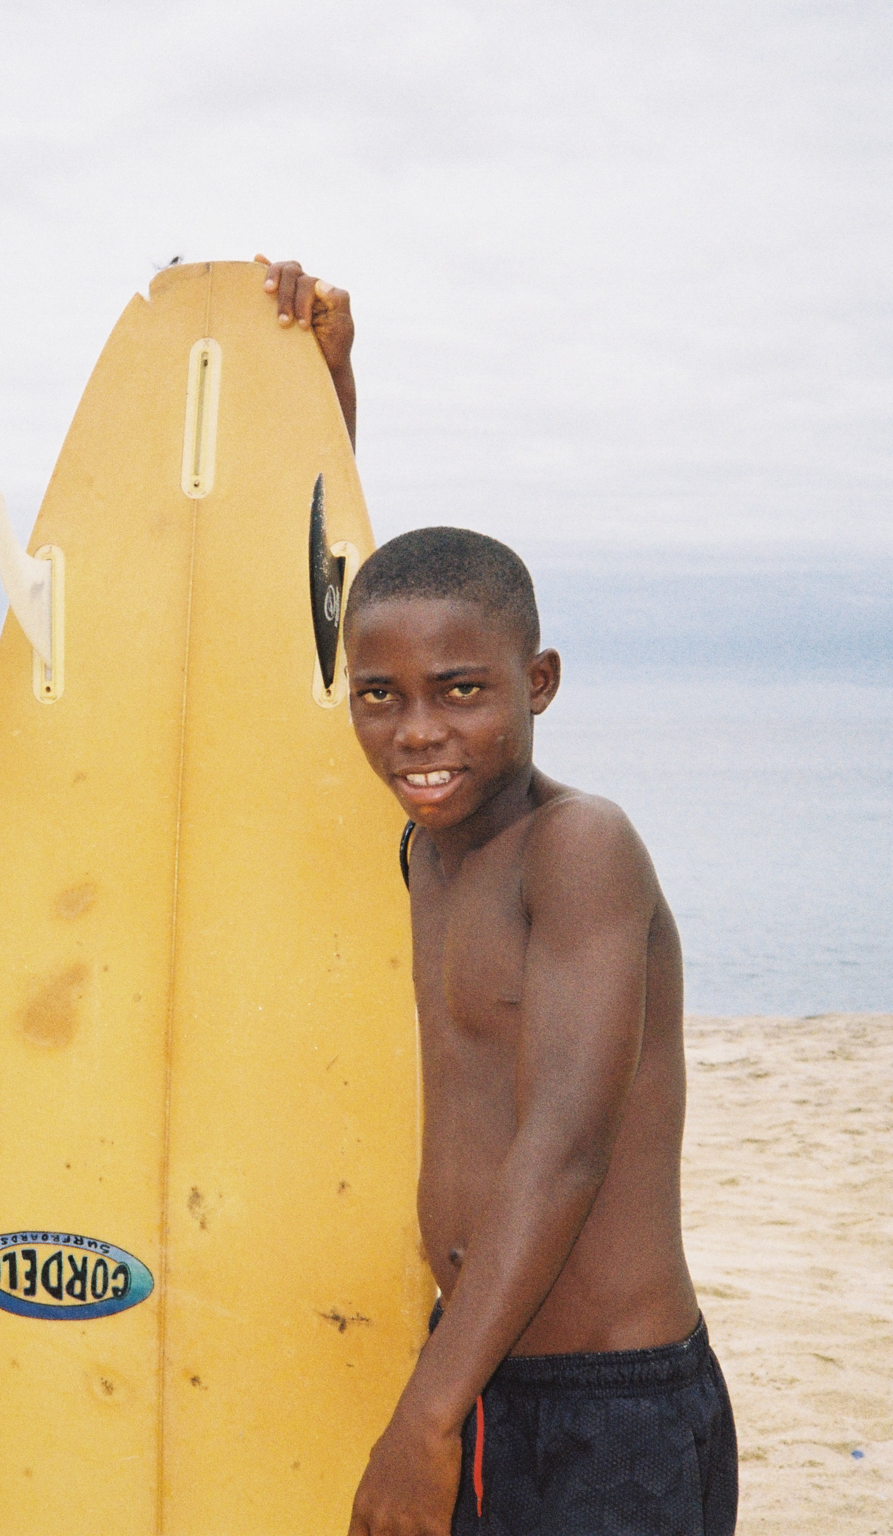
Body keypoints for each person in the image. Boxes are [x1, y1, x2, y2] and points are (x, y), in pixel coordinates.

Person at [331, 521, 737, 1535]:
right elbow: (328, 577)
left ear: (538, 682)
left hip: (612, 1410)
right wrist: (331, 384)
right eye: (379, 695)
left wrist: (421, 1418)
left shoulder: (578, 847)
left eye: (460, 688)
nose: (416, 730)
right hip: (478, 1376)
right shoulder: (428, 851)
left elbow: (564, 1145)